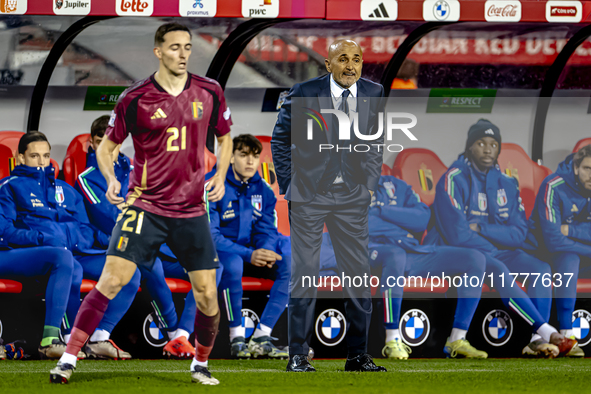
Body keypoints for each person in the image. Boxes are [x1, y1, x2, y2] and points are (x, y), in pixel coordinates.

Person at [50, 22, 233, 385]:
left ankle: (200, 363)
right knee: (111, 280)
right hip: (144, 206)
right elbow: (107, 147)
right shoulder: (135, 98)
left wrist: (221, 176)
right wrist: (112, 178)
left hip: (191, 209)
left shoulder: (210, 90)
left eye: (187, 47)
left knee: (208, 294)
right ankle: (68, 358)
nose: (183, 54)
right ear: (158, 52)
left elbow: (225, 138)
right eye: (175, 47)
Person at [272, 39, 386, 372]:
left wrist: (369, 185)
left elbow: (375, 141)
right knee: (305, 274)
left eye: (357, 60)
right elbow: (281, 139)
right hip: (309, 196)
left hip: (352, 197)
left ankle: (358, 356)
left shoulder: (373, 92)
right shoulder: (304, 91)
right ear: (328, 64)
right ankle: (297, 354)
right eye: (343, 59)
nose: (351, 66)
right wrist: (289, 183)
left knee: (358, 277)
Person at [424, 119, 577, 358]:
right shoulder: (453, 178)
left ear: (499, 148)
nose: (487, 149)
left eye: (493, 144)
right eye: (480, 143)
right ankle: (546, 331)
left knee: (540, 268)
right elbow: (457, 234)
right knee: (495, 266)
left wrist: (481, 227)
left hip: (495, 250)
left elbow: (518, 235)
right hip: (460, 253)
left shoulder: (508, 183)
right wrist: (492, 243)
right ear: (470, 147)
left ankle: (537, 341)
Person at [0, 131, 138, 360]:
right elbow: (4, 232)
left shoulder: (64, 189)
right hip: (31, 252)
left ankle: (97, 338)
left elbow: (83, 226)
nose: (41, 161)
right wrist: (41, 239)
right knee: (65, 261)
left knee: (128, 267)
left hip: (74, 250)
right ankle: (51, 340)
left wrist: (113, 241)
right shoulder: (9, 187)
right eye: (34, 156)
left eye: (45, 156)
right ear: (20, 157)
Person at [75, 115, 197, 359]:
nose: (108, 149)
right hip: (111, 245)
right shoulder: (87, 178)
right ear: (92, 144)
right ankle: (174, 336)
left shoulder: (135, 169)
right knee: (150, 265)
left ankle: (181, 333)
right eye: (101, 142)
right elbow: (113, 217)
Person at [366, 175, 487, 358]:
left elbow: (422, 218)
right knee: (395, 255)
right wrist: (401, 224)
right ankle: (392, 339)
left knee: (474, 258)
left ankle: (457, 339)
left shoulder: (398, 185)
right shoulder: (352, 187)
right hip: (375, 251)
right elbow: (362, 225)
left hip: (412, 251)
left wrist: (381, 210)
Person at [207, 134, 290, 359]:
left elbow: (267, 228)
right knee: (232, 264)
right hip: (220, 253)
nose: (250, 161)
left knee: (290, 257)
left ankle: (262, 336)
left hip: (250, 252)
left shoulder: (262, 189)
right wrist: (249, 254)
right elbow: (210, 236)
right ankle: (236, 338)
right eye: (243, 155)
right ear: (231, 158)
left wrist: (266, 251)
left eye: (255, 156)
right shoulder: (213, 184)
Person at [525, 145, 591, 357]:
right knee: (566, 259)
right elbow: (553, 241)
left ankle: (564, 335)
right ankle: (555, 335)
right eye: (587, 168)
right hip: (539, 251)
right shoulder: (553, 185)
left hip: (575, 251)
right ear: (575, 168)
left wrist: (570, 229)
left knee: (572, 256)